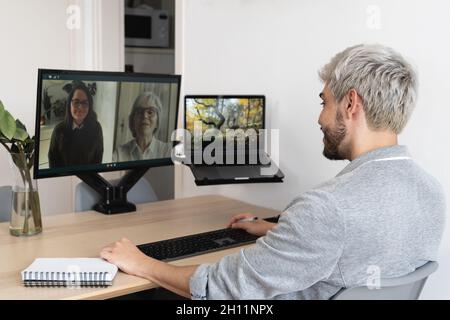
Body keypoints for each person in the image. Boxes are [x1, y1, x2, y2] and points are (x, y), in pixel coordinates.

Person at [100, 44, 446, 300]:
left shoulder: (326, 208)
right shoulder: (430, 192)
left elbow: (219, 288)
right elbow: (356, 243)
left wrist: (141, 262)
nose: (320, 118)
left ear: (351, 104)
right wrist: (276, 231)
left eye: (324, 102)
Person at [48, 82, 103, 168]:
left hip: (89, 180)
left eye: (85, 103)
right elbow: (53, 162)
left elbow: (98, 160)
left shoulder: (96, 128)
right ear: (69, 104)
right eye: (76, 102)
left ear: (90, 106)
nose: (80, 107)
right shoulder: (59, 130)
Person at [113, 92, 171, 162]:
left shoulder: (167, 152)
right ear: (133, 120)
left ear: (157, 121)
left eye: (150, 112)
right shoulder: (119, 154)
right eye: (140, 112)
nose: (145, 116)